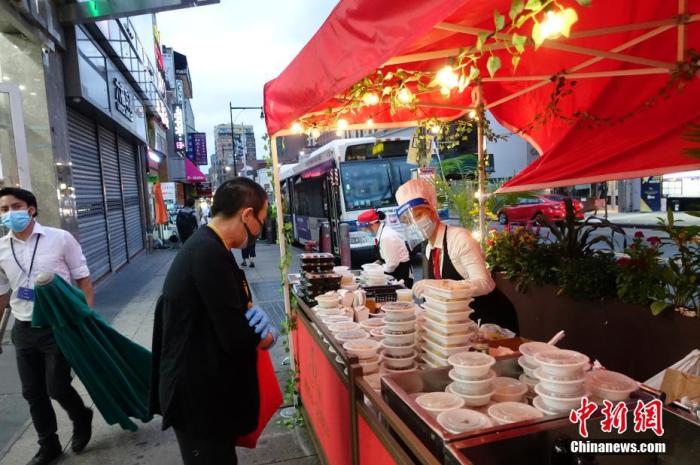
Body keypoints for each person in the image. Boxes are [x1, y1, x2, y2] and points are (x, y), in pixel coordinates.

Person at [150, 177, 278, 465]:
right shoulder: (208, 253)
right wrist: (266, 336)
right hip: (197, 400)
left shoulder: (209, 245)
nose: (261, 227)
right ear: (246, 214)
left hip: (202, 394)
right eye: (261, 218)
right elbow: (233, 337)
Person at [0, 187, 94, 465]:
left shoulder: (60, 238)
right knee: (32, 392)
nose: (9, 213)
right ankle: (49, 444)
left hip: (59, 327)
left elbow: (83, 280)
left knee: (57, 386)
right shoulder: (1, 249)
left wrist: (86, 318)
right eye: (3, 209)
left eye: (15, 206)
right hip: (24, 328)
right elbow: (3, 296)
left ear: (31, 209)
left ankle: (81, 416)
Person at [395, 179, 519, 333]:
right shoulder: (428, 248)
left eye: (418, 214)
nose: (414, 224)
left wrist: (442, 286)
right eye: (408, 220)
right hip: (462, 326)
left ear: (432, 209)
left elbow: (484, 283)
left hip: (491, 322)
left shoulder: (460, 238)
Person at [357, 208, 413, 287]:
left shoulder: (386, 237)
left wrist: (373, 272)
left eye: (364, 228)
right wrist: (376, 264)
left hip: (400, 278)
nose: (364, 231)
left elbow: (392, 265)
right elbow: (386, 256)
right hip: (396, 274)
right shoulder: (382, 233)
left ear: (371, 224)